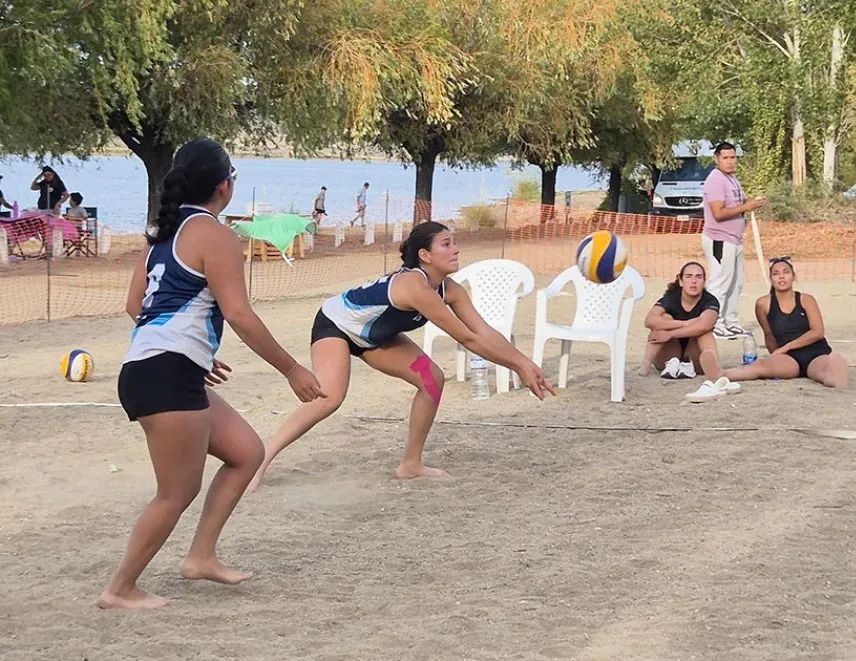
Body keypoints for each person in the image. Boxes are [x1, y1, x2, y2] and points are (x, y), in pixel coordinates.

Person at [98, 138, 325, 610]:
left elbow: (134, 306)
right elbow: (239, 315)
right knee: (176, 492)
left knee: (246, 452)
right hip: (165, 375)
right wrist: (291, 369)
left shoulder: (161, 233)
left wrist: (192, 350)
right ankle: (119, 589)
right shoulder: (215, 235)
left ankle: (201, 556)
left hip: (154, 367)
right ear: (225, 186)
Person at [248, 220, 556, 489]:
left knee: (432, 379)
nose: (456, 250)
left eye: (454, 244)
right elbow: (467, 338)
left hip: (375, 338)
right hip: (336, 325)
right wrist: (518, 365)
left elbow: (483, 331)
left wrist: (524, 362)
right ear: (425, 256)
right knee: (329, 396)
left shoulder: (451, 289)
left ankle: (411, 465)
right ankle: (260, 460)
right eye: (446, 245)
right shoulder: (414, 286)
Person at [721, 257, 848, 388]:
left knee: (823, 373)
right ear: (771, 279)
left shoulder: (806, 299)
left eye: (786, 272)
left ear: (794, 276)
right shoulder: (763, 304)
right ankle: (720, 374)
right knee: (760, 367)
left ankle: (837, 378)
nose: (781, 277)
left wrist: (786, 347)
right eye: (776, 274)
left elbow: (818, 332)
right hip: (789, 358)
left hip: (815, 353)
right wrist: (775, 357)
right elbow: (769, 334)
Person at [701, 142, 766, 339]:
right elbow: (718, 213)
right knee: (719, 282)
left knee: (735, 284)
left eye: (733, 157)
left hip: (735, 240)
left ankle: (731, 320)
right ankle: (715, 322)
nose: (730, 162)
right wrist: (746, 208)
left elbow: (741, 202)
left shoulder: (732, 179)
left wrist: (755, 202)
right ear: (717, 159)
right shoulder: (715, 180)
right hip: (720, 239)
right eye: (725, 158)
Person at [638, 261, 723, 381]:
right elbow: (649, 320)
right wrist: (684, 323)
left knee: (705, 331)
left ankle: (713, 365)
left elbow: (705, 325)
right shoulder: (671, 298)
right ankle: (646, 364)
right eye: (689, 276)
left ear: (704, 281)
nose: (694, 281)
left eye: (699, 277)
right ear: (681, 281)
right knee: (664, 319)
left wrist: (670, 334)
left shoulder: (710, 301)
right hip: (669, 353)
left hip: (694, 353)